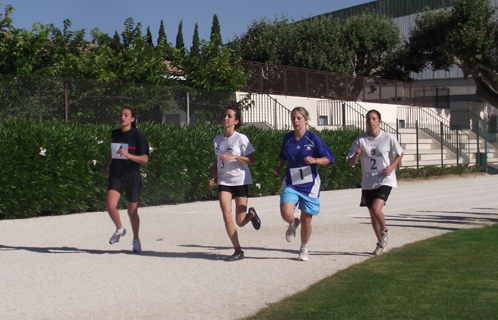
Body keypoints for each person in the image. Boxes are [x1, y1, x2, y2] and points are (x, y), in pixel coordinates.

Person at [274, 107, 335, 261]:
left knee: (307, 219)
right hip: (292, 181)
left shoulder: (313, 139)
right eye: (293, 118)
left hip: (310, 184)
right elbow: (283, 155)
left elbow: (329, 158)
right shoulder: (287, 138)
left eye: (299, 118)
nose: (295, 121)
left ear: (306, 120)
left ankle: (304, 248)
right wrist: (280, 167)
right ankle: (293, 222)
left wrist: (315, 160)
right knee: (285, 212)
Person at [346, 109, 403, 255]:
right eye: (368, 119)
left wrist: (392, 166)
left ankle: (384, 231)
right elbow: (350, 164)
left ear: (379, 121)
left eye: (374, 119)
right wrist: (357, 155)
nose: (371, 122)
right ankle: (380, 243)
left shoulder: (388, 137)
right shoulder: (360, 141)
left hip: (385, 179)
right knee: (372, 214)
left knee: (377, 209)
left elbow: (400, 153)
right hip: (368, 181)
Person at [208, 105, 261, 261]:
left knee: (240, 221)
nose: (226, 118)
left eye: (229, 116)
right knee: (226, 215)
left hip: (240, 180)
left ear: (236, 121)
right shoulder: (217, 139)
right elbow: (216, 160)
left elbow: (252, 160)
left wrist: (234, 157)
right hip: (224, 181)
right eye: (225, 115)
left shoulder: (241, 138)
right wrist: (212, 176)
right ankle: (238, 250)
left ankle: (251, 214)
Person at [100, 107, 149, 253]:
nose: (122, 117)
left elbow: (145, 159)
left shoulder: (138, 136)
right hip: (116, 175)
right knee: (110, 205)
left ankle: (136, 240)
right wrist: (106, 165)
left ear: (132, 119)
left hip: (132, 176)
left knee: (132, 212)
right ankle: (120, 229)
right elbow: (113, 151)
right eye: (121, 114)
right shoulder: (115, 133)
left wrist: (128, 155)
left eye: (126, 115)